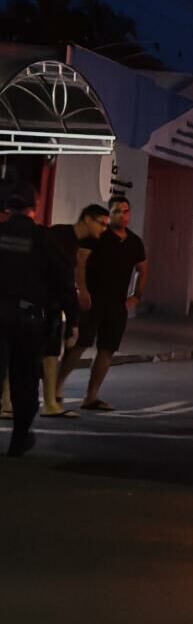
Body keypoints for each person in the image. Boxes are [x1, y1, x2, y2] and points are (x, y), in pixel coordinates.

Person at [0, 187, 80, 457]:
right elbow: (63, 280)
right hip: (28, 318)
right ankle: (19, 439)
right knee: (25, 379)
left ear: (7, 209)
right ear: (34, 208)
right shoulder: (42, 239)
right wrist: (73, 320)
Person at [63, 194, 148, 412]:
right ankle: (55, 388)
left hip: (116, 304)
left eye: (126, 211)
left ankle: (91, 397)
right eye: (117, 211)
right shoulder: (98, 235)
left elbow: (143, 268)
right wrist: (82, 291)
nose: (122, 215)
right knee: (80, 343)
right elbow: (80, 262)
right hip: (93, 300)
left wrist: (136, 295)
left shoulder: (134, 242)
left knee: (107, 349)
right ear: (109, 215)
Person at [39, 203, 108, 417]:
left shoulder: (69, 239)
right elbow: (64, 280)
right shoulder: (62, 238)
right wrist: (73, 320)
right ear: (87, 219)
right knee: (36, 352)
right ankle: (32, 402)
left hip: (51, 303)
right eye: (101, 224)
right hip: (44, 302)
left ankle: (49, 401)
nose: (104, 229)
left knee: (50, 353)